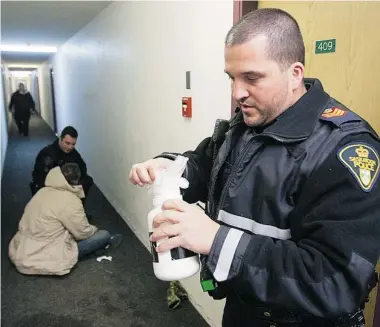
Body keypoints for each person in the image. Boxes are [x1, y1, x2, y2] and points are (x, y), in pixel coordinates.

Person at [129, 8, 380, 327]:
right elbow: (206, 165)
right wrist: (169, 168)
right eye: (232, 78)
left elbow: (334, 281)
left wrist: (215, 240)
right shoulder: (247, 125)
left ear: (295, 73)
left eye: (252, 77)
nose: (237, 93)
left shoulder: (343, 149)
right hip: (244, 307)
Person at [9, 163, 122, 276]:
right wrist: (94, 229)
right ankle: (103, 245)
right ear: (77, 180)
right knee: (103, 235)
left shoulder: (41, 192)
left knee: (68, 226)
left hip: (22, 251)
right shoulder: (71, 200)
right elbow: (83, 233)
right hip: (47, 257)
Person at [30, 126, 93, 202]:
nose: (70, 147)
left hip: (68, 184)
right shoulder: (47, 153)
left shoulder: (72, 152)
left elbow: (83, 167)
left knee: (88, 180)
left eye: (73, 144)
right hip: (51, 186)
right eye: (67, 143)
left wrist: (78, 183)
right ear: (60, 139)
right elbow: (40, 178)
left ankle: (76, 206)